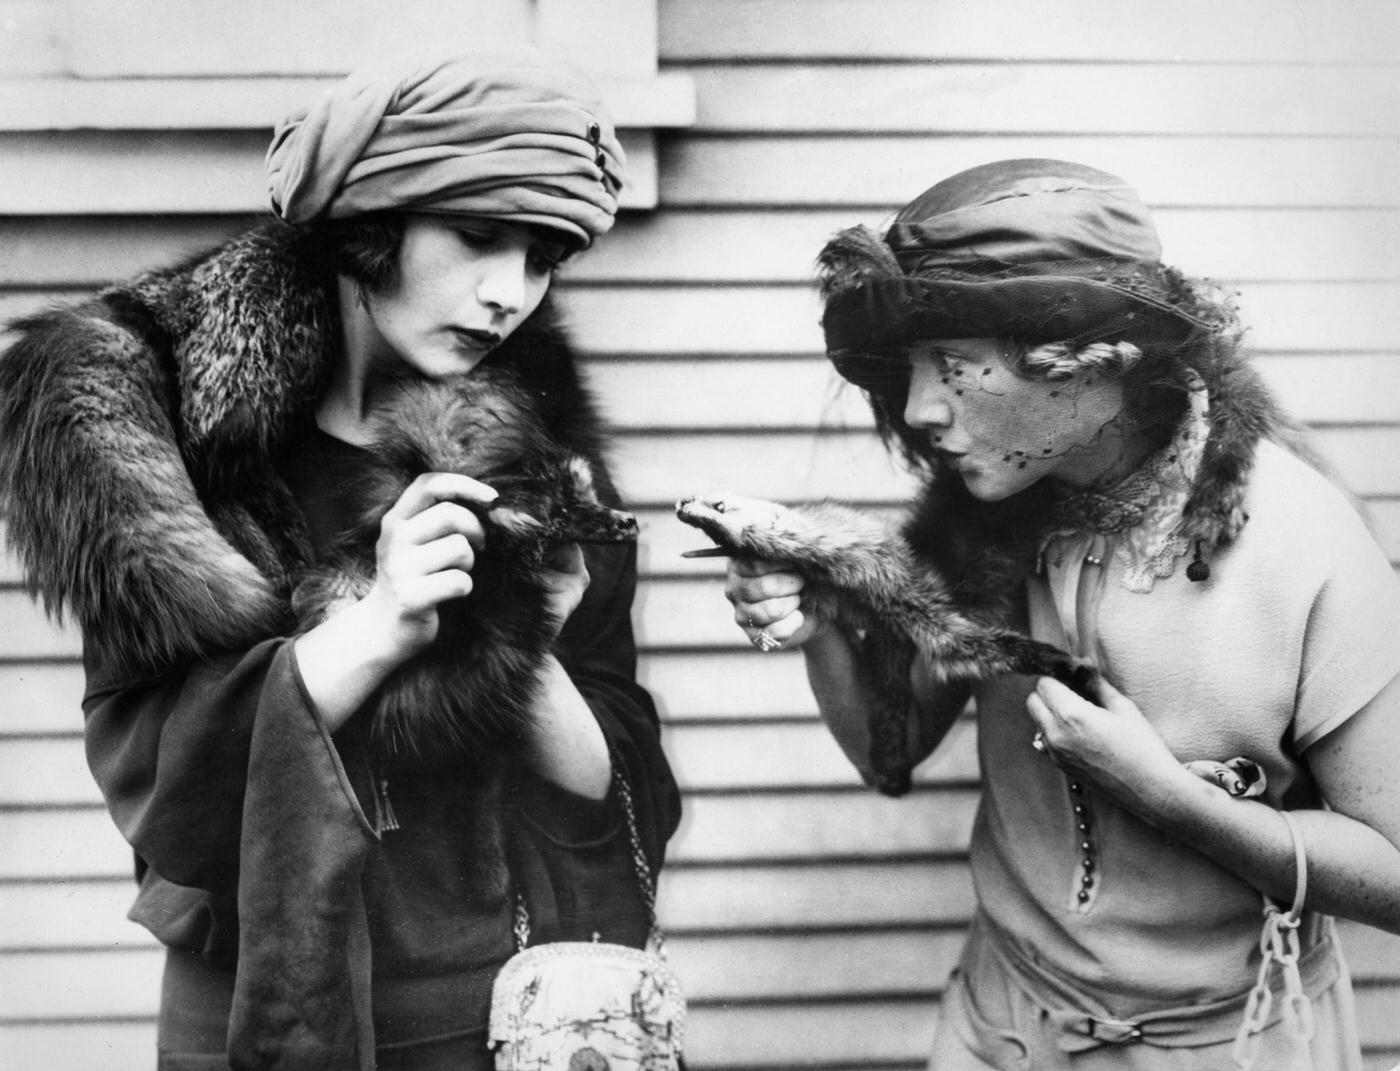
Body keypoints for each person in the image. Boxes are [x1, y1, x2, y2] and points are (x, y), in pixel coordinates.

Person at [0, 49, 680, 1071]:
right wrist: (379, 625)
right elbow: (166, 796)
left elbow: (610, 793)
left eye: (542, 259)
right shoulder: (161, 451)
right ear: (367, 226)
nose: (510, 294)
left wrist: (511, 632)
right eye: (479, 237)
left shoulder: (534, 462)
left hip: (505, 1013)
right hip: (260, 1014)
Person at [717, 158, 1400, 1068]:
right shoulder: (985, 513)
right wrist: (821, 617)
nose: (920, 409)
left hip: (1229, 1043)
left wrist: (1172, 800)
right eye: (915, 369)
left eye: (956, 366)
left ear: (1090, 360)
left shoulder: (1306, 544)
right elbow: (892, 749)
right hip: (999, 1025)